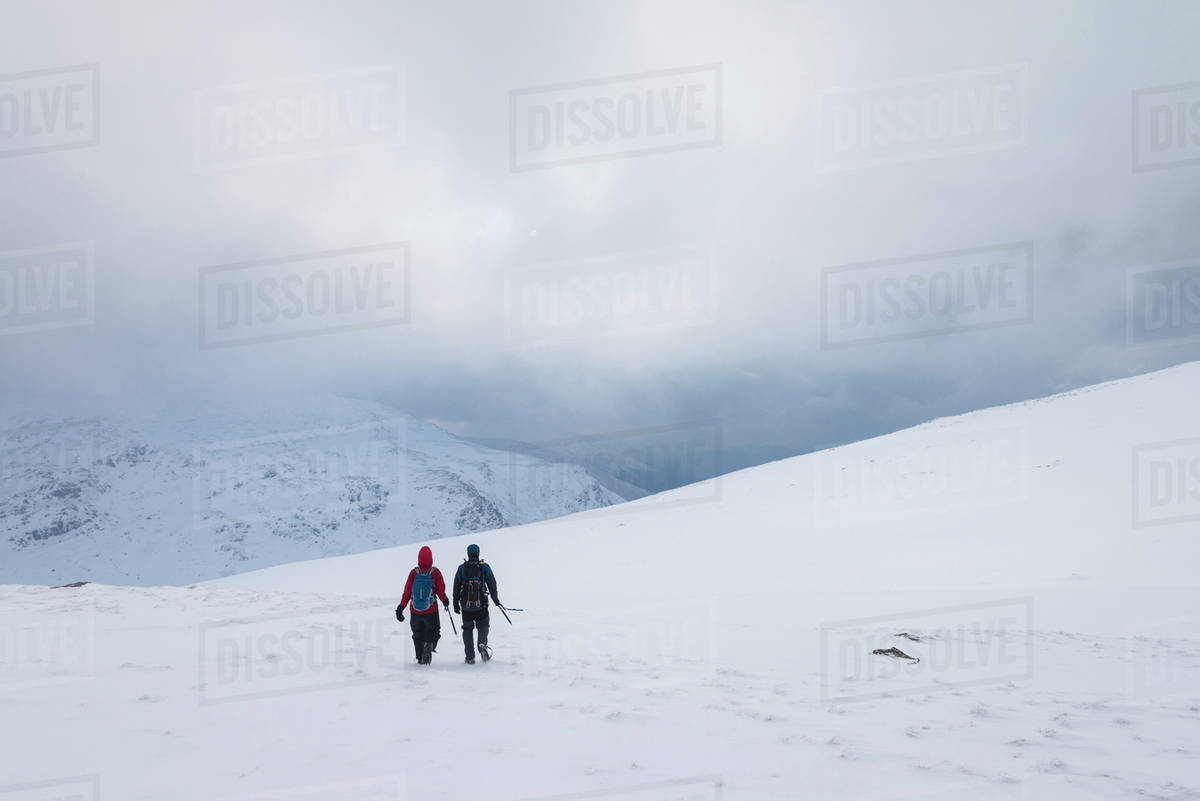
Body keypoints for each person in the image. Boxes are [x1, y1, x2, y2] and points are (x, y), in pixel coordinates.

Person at [396, 545, 449, 664]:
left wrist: (401, 607)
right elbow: (440, 590)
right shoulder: (435, 572)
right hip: (431, 610)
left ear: (419, 558)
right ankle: (429, 645)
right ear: (431, 558)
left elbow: (407, 592)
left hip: (415, 611)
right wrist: (445, 600)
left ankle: (420, 658)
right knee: (434, 631)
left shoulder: (413, 573)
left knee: (417, 635)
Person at [453, 543, 499, 664]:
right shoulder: (485, 567)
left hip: (466, 606)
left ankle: (470, 657)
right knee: (483, 626)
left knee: (467, 630)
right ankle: (482, 645)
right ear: (478, 554)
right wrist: (495, 599)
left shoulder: (461, 568)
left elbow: (456, 587)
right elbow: (492, 584)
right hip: (481, 605)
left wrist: (455, 602)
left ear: (468, 554)